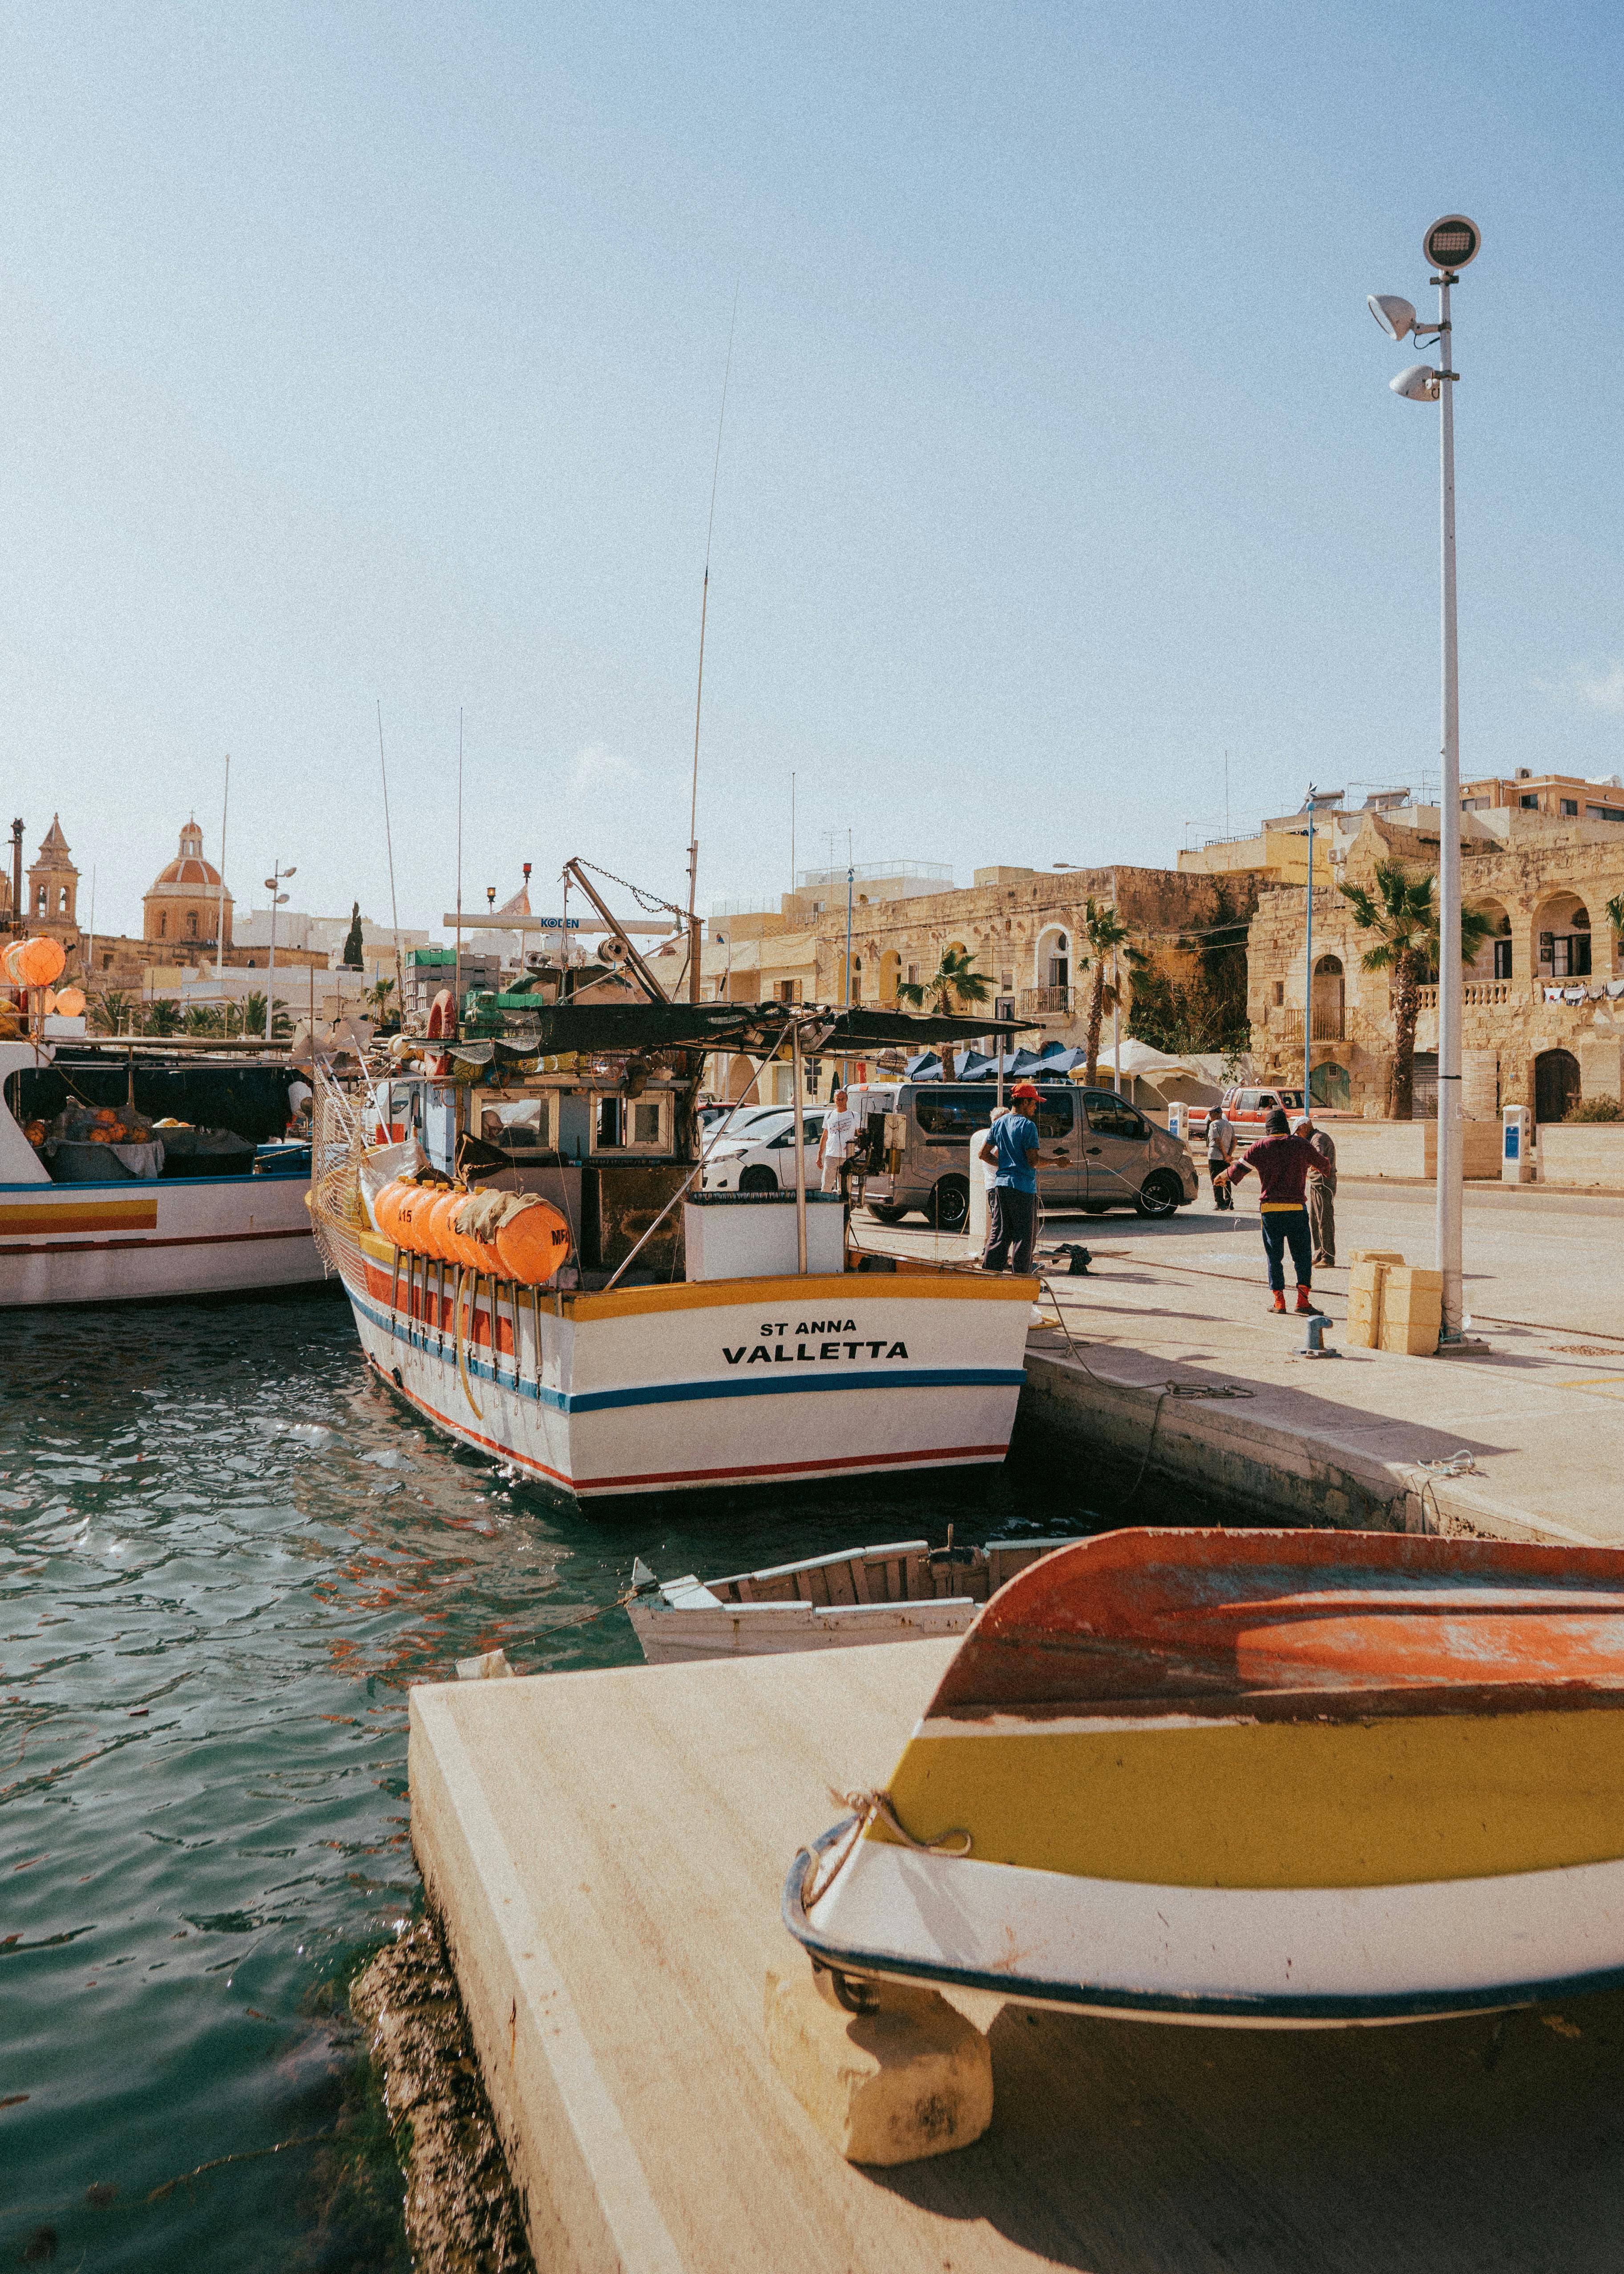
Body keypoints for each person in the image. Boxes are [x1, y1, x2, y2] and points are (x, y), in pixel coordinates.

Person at [1216, 1108, 1324, 1314]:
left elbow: (1238, 1170)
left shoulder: (1260, 1146)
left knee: (1275, 1257)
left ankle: (1279, 1302)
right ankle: (1302, 1302)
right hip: (1296, 1211)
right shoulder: (1301, 1144)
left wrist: (1223, 1176)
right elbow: (1323, 1164)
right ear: (1286, 1126)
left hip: (1271, 1211)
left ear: (1268, 1128)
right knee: (1302, 1256)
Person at [977, 1081, 1042, 1271]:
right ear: (1025, 1102)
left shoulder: (999, 1123)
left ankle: (990, 1274)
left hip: (1002, 1186)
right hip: (1023, 1188)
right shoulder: (1028, 1127)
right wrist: (1057, 1161)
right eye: (1034, 1103)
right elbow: (1034, 1161)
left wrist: (1005, 1165)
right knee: (1024, 1236)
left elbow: (983, 1154)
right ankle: (1021, 1279)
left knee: (1000, 1233)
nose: (1036, 1107)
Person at [1295, 1112, 1337, 1267]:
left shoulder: (1317, 1138)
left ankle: (1328, 1256)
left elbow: (1317, 1153)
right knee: (1315, 1220)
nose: (1299, 1135)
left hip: (1323, 1183)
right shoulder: (1312, 1138)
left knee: (1324, 1220)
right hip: (1316, 1183)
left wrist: (1314, 1160)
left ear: (1305, 1127)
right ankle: (1319, 1252)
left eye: (1299, 1131)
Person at [817, 1087, 860, 1194]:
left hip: (847, 1157)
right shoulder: (829, 1115)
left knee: (844, 1188)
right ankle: (826, 1208)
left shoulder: (854, 1116)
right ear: (834, 1100)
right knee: (826, 1186)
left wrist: (854, 1146)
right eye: (838, 1099)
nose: (841, 1101)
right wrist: (819, 1155)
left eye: (843, 1099)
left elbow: (860, 1136)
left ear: (847, 1100)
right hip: (831, 1155)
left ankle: (844, 1209)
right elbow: (825, 1135)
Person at [1206, 1100, 1236, 1210]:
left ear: (1218, 1114)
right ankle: (1229, 1202)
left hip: (1215, 1156)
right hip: (1226, 1158)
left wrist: (1224, 1154)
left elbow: (1217, 1140)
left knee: (1216, 1179)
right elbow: (1234, 1141)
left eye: (1211, 1114)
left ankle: (1220, 1203)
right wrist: (1228, 1155)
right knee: (1226, 1179)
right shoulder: (1229, 1125)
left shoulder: (1214, 1124)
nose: (1210, 1116)